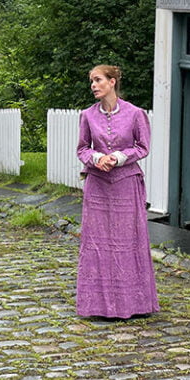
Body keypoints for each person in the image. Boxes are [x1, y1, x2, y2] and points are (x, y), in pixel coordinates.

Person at [75, 64, 159, 320]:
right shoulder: (87, 116)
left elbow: (143, 147)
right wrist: (97, 157)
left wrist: (120, 156)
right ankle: (97, 307)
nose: (93, 85)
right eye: (91, 81)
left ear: (112, 82)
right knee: (97, 242)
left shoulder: (135, 114)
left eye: (98, 80)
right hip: (98, 185)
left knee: (128, 241)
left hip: (126, 183)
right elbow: (82, 149)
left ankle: (135, 303)